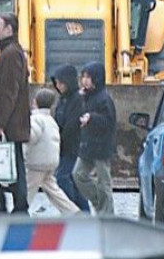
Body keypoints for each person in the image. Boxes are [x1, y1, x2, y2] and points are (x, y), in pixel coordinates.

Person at [0, 13, 30, 215]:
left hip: (8, 122)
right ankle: (15, 205)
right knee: (13, 162)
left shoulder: (10, 54)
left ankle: (13, 205)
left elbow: (8, 91)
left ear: (9, 29)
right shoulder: (9, 52)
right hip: (10, 121)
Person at [24, 88, 81, 215]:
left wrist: (23, 151)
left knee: (27, 190)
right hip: (51, 162)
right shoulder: (51, 120)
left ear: (35, 102)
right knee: (54, 191)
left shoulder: (36, 119)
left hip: (37, 163)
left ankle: (18, 212)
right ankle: (73, 211)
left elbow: (31, 137)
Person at [73, 62, 116, 215]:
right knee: (78, 175)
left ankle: (107, 213)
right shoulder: (86, 96)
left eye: (88, 77)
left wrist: (91, 118)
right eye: (83, 77)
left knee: (104, 181)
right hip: (88, 145)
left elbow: (109, 121)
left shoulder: (104, 98)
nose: (85, 80)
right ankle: (99, 202)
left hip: (101, 146)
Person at [51, 65, 91, 213]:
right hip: (64, 146)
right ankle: (82, 213)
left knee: (63, 177)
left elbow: (72, 125)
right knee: (74, 182)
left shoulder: (76, 100)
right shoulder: (63, 100)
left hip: (73, 147)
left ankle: (73, 210)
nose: (58, 86)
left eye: (60, 82)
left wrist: (59, 139)